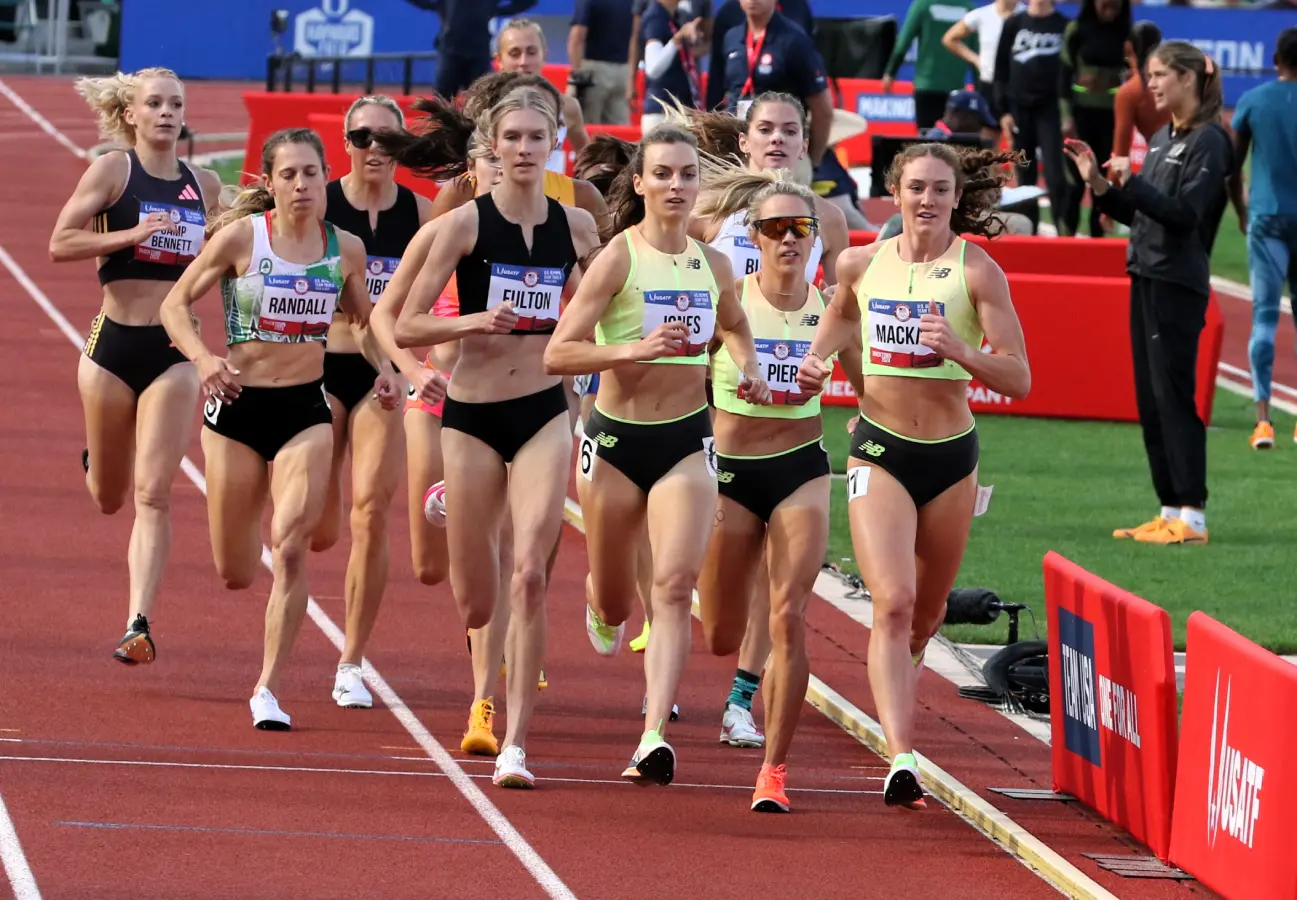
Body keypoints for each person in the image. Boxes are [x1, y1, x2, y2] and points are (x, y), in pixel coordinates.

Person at [796, 141, 1030, 808]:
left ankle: (900, 704)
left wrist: (960, 351)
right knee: (892, 602)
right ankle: (901, 753)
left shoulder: (977, 273)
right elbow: (839, 315)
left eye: (938, 189)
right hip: (878, 449)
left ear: (957, 198)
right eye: (914, 188)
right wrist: (817, 360)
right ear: (894, 195)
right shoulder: (860, 263)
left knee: (923, 618)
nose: (925, 200)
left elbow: (1018, 376)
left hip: (951, 457)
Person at [544, 124, 771, 786]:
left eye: (687, 175)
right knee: (618, 601)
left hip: (685, 441)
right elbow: (558, 352)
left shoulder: (713, 264)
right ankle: (598, 598)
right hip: (615, 442)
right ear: (639, 183)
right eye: (663, 174)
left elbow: (732, 324)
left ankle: (651, 736)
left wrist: (747, 363)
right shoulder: (617, 258)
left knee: (673, 588)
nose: (676, 186)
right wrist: (630, 351)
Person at [393, 88, 600, 788]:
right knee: (476, 600)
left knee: (533, 572)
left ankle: (514, 742)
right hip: (472, 413)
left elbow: (607, 302)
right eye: (509, 137)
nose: (522, 148)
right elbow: (406, 324)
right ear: (491, 146)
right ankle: (481, 665)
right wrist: (473, 325)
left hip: (543, 409)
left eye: (534, 138)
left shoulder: (574, 226)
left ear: (552, 146)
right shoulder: (463, 227)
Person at [159, 128, 384, 729]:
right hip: (236, 410)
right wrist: (205, 359)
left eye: (312, 173)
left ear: (325, 177)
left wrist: (388, 369)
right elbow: (174, 306)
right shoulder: (241, 239)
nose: (302, 185)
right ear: (269, 182)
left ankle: (268, 688)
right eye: (289, 174)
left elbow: (362, 322)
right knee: (235, 569)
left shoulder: (346, 248)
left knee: (289, 547)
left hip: (304, 411)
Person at [669, 92, 849, 747]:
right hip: (716, 417)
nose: (776, 139)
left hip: (793, 429)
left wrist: (826, 365)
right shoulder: (711, 212)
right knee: (706, 591)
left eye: (789, 130)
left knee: (781, 591)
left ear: (806, 143)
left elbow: (834, 310)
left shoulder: (828, 217)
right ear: (743, 142)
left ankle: (741, 703)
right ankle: (668, 642)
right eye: (764, 129)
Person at [698, 175, 861, 811]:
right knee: (718, 631)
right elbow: (680, 375)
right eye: (774, 228)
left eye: (800, 228)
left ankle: (774, 770)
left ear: (815, 238)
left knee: (789, 615)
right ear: (753, 237)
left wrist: (868, 423)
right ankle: (732, 677)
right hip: (732, 474)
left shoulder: (832, 310)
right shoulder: (726, 302)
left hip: (801, 467)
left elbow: (871, 389)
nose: (788, 238)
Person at [50, 67, 222, 665]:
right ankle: (98, 460)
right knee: (108, 495)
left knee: (154, 495)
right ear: (132, 114)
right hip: (112, 348)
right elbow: (60, 242)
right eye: (155, 103)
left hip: (174, 353)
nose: (168, 113)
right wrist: (130, 234)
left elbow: (233, 253)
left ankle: (138, 622)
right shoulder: (112, 171)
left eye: (176, 102)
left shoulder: (205, 185)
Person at [1066, 42, 1235, 546]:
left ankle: (1194, 516)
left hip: (1176, 282)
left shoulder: (1210, 142)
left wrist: (1133, 182)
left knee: (1174, 397)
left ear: (1189, 78)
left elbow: (1185, 216)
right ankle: (1168, 509)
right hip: (1145, 273)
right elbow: (1144, 213)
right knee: (1150, 398)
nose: (1152, 84)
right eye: (1150, 74)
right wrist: (1100, 185)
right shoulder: (1161, 136)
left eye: (1161, 75)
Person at [311, 96, 433, 709]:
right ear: (346, 140)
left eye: (389, 139)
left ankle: (351, 661)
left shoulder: (424, 215)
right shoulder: (320, 204)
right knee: (318, 525)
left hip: (384, 375)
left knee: (371, 512)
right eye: (363, 136)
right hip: (316, 365)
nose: (376, 148)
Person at [1230, 27, 1297, 450]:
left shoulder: (1253, 101)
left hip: (1267, 218)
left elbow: (1231, 168)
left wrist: (1241, 211)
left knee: (1266, 317)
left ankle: (1263, 421)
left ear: (1275, 61)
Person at [718, 0, 833, 185]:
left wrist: (811, 159)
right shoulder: (731, 37)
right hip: (739, 153)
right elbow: (722, 94)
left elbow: (823, 111)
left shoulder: (795, 41)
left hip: (783, 156)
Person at [993, 0, 1071, 234]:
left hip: (1051, 111)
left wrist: (1069, 112)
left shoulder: (1064, 26)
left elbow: (1070, 72)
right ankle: (1030, 233)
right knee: (1025, 179)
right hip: (1019, 110)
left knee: (1056, 177)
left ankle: (1062, 230)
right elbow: (1000, 70)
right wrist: (1003, 111)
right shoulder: (1014, 23)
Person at [1058, 0, 1132, 238]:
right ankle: (1064, 240)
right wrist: (1066, 117)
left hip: (1111, 118)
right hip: (1080, 117)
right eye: (1105, 3)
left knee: (1101, 182)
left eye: (1116, 4)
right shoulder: (1076, 29)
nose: (1110, 7)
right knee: (1074, 185)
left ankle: (1096, 242)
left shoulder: (1126, 33)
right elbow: (1063, 75)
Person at [494, 18, 590, 171]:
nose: (523, 61)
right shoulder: (484, 108)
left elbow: (588, 161)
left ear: (544, 55)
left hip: (553, 195)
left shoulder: (567, 107)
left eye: (531, 52)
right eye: (514, 53)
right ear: (499, 60)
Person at [882, 0, 976, 131]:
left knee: (926, 143)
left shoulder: (923, 4)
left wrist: (890, 73)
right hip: (956, 90)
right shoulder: (968, 8)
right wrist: (980, 89)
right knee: (955, 146)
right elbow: (977, 54)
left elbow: (903, 42)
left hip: (926, 86)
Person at [942, 0, 1024, 122]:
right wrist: (975, 60)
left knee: (1020, 136)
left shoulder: (1027, 16)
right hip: (989, 85)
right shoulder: (982, 15)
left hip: (1018, 87)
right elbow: (950, 39)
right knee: (988, 134)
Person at [1108, 21, 1168, 186]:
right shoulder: (1176, 80)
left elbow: (1120, 156)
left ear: (1128, 48)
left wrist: (1107, 202)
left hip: (1165, 169)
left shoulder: (1130, 92)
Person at [638, 0, 706, 132]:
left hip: (677, 110)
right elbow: (653, 68)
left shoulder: (675, 15)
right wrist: (677, 39)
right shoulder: (656, 17)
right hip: (662, 113)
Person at [567, 0, 635, 125]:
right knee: (619, 135)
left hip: (593, 72)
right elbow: (635, 38)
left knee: (587, 127)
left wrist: (576, 74)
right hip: (623, 72)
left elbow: (577, 37)